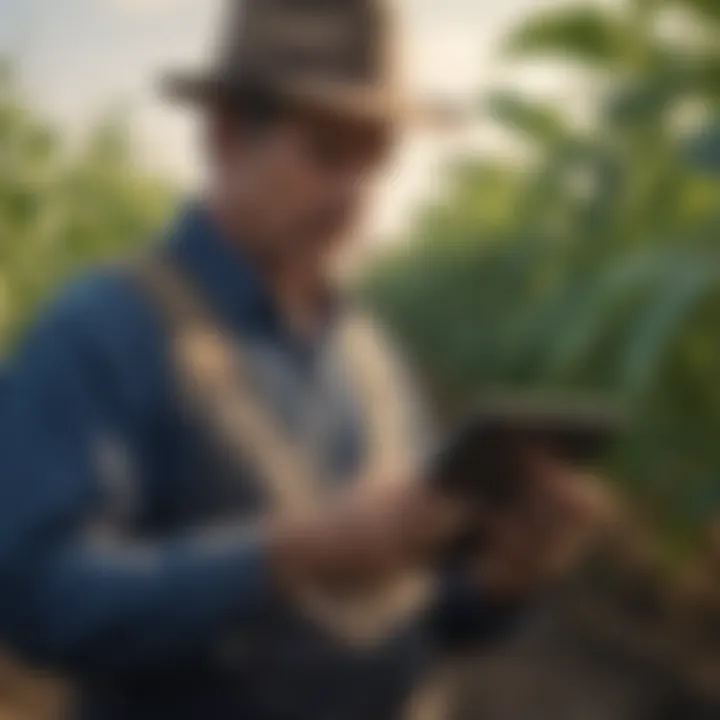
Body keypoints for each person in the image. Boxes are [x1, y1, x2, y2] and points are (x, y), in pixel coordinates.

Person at [0, 1, 612, 718]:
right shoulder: (104, 331)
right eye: (327, 153)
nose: (358, 197)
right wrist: (289, 556)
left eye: (378, 160)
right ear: (226, 134)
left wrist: (504, 583)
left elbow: (410, 608)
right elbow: (35, 599)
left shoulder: (372, 355)